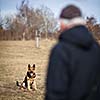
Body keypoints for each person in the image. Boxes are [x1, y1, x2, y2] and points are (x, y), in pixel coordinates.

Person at [45, 4, 100, 100]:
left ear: (64, 23)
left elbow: (55, 92)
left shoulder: (61, 50)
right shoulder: (96, 48)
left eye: (60, 22)